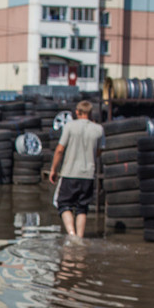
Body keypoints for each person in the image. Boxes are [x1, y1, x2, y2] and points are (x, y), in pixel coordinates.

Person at [48, 100, 104, 238]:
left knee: (63, 204)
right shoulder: (99, 129)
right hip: (88, 174)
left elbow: (60, 149)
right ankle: (80, 237)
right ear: (90, 113)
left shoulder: (70, 126)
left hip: (70, 173)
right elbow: (99, 151)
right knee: (82, 208)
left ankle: (72, 234)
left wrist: (53, 170)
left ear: (77, 112)